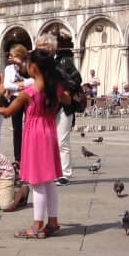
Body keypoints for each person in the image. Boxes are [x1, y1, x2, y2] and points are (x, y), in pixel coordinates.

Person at [0, 49, 66, 239]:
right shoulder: (55, 88)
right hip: (49, 131)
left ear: (34, 67)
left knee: (37, 182)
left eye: (27, 64)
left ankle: (37, 226)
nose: (25, 67)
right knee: (49, 181)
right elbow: (66, 98)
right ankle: (53, 222)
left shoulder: (29, 93)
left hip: (35, 135)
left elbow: (6, 111)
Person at [36, 32, 81, 186]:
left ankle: (65, 173)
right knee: (50, 140)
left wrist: (64, 88)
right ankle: (53, 171)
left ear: (52, 48)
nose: (40, 50)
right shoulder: (39, 65)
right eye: (39, 47)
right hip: (48, 106)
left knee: (62, 140)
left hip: (64, 106)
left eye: (43, 47)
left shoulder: (64, 62)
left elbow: (77, 79)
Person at [2, 44, 30, 164]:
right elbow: (6, 85)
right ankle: (18, 158)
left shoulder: (28, 66)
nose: (10, 57)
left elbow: (34, 81)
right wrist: (19, 86)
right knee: (16, 128)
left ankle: (30, 154)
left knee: (30, 127)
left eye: (13, 55)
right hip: (15, 99)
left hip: (29, 98)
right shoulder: (9, 69)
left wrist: (21, 84)